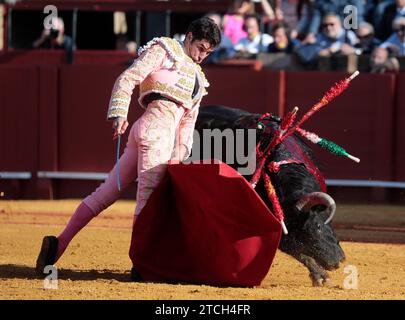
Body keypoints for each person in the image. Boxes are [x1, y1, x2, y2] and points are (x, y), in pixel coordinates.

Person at [35, 17, 221, 277]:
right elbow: (128, 78)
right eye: (201, 48)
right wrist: (119, 113)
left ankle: (57, 245)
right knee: (147, 198)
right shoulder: (165, 49)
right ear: (189, 36)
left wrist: (179, 156)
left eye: (208, 52)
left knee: (106, 193)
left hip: (150, 135)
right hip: (155, 134)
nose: (202, 56)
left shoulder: (200, 80)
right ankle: (141, 265)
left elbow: (187, 124)